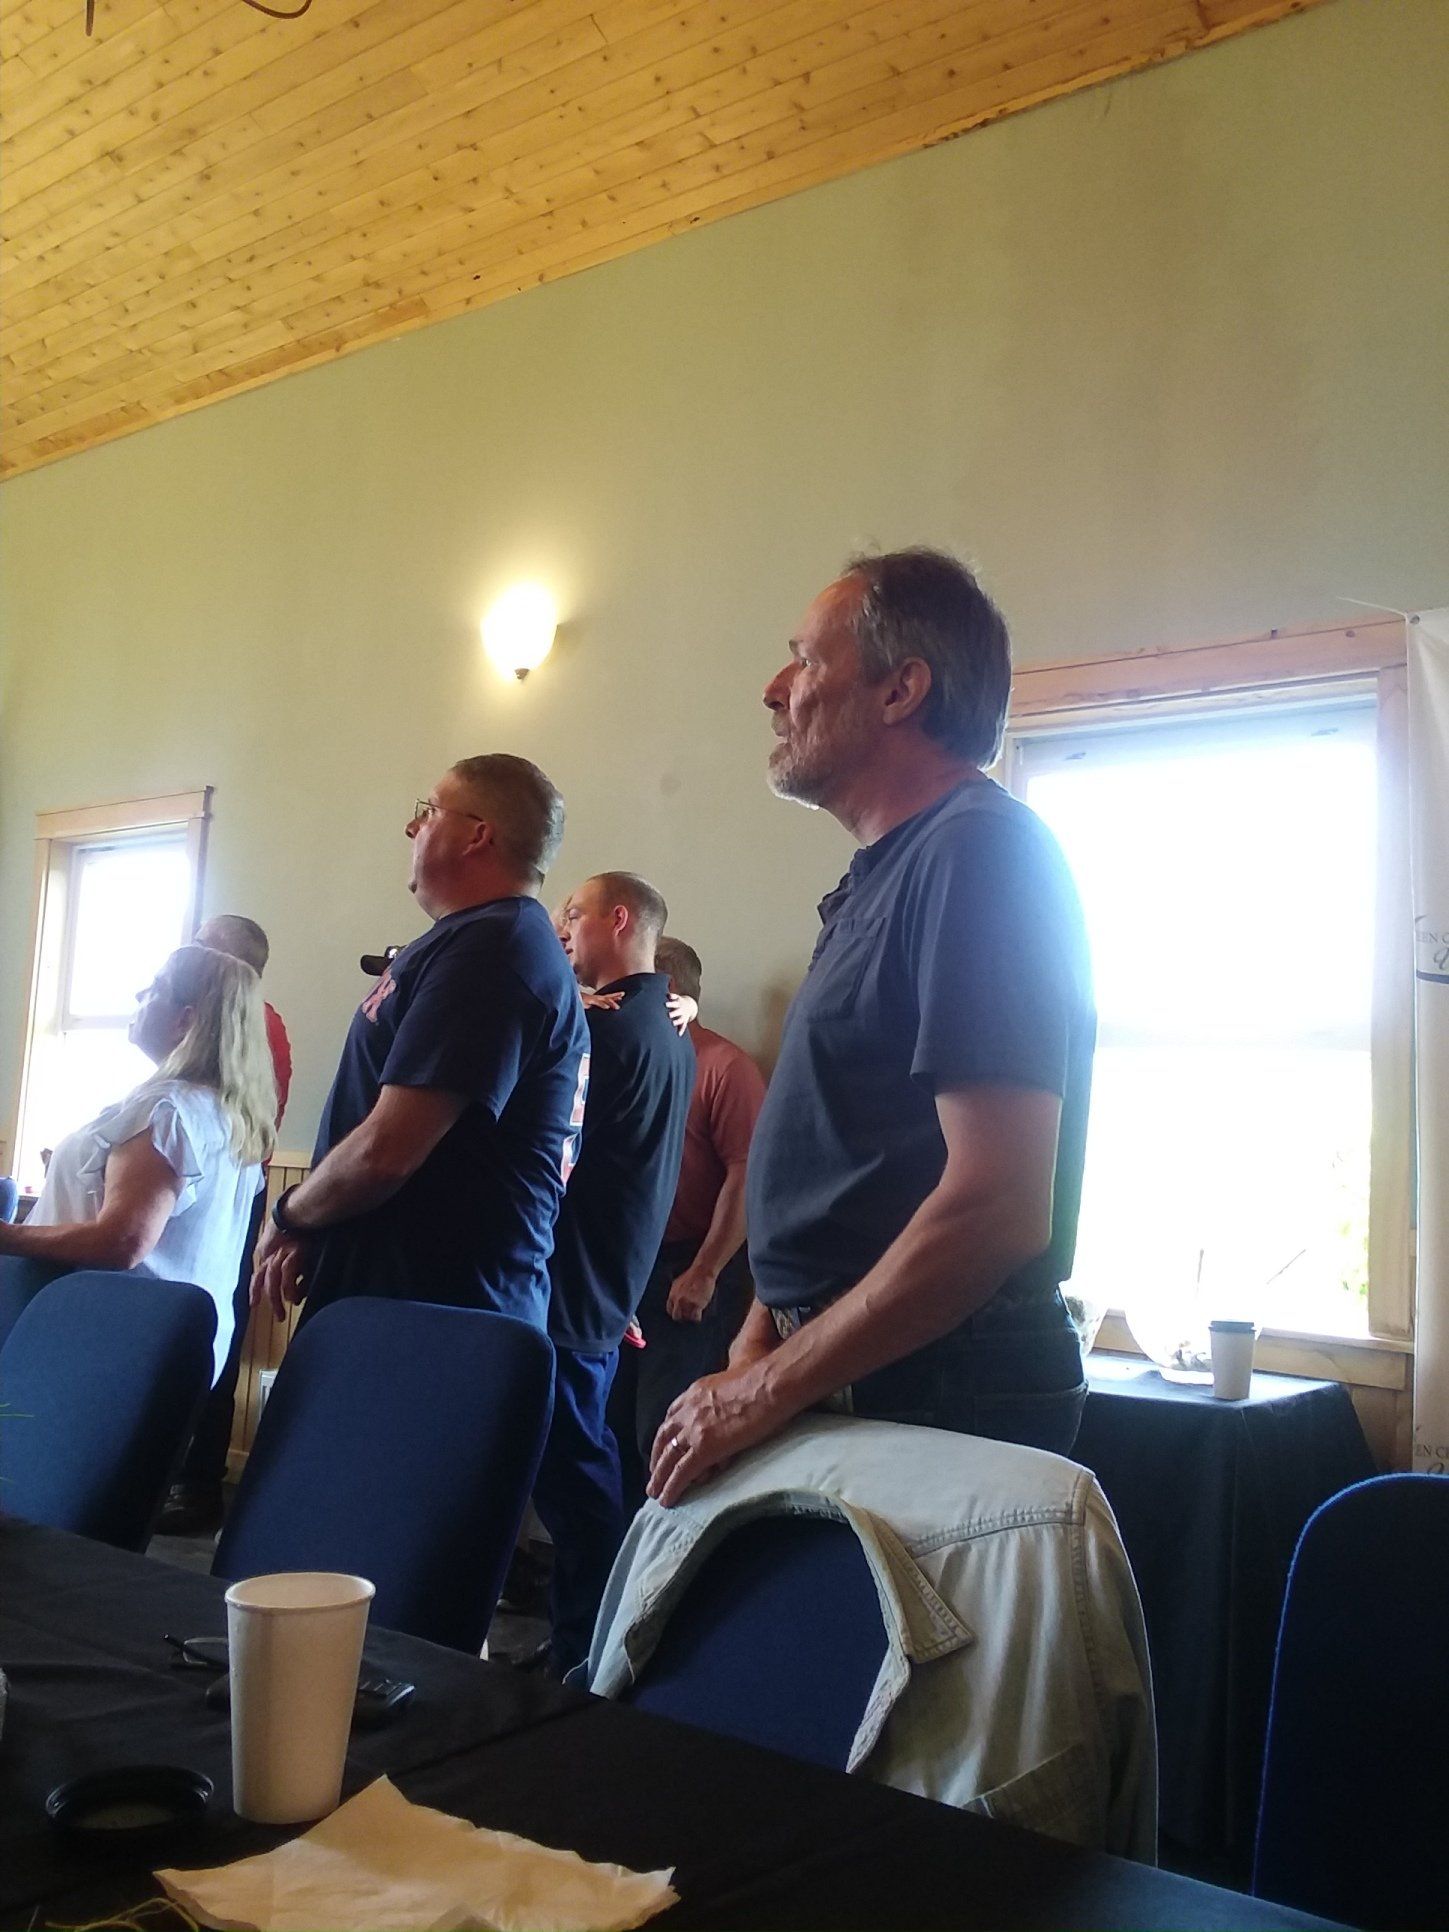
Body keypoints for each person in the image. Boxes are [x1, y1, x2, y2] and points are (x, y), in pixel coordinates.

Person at [648, 548, 1096, 1510]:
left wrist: (765, 1385)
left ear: (901, 690)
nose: (774, 690)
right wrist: (764, 1322)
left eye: (805, 661)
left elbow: (999, 1202)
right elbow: (850, 1150)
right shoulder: (880, 878)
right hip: (841, 1359)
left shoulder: (979, 854)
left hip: (937, 1377)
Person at [250, 755, 587, 1331]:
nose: (412, 828)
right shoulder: (471, 940)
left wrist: (291, 1214)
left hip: (436, 1316)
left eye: (428, 812)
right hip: (399, 1299)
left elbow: (387, 1151)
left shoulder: (495, 948)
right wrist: (324, 1221)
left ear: (478, 835)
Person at [531, 871, 694, 1674]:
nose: (563, 929)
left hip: (566, 1288)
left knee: (578, 1484)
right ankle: (577, 1645)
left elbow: (555, 1161)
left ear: (618, 918)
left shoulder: (611, 1030)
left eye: (574, 914)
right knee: (577, 1474)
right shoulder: (673, 1028)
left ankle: (585, 1657)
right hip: (606, 1284)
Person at [0, 944, 276, 1382]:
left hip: (99, 1343)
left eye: (156, 988)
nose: (138, 996)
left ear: (185, 1020)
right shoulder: (228, 1117)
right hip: (167, 1351)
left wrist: (7, 1237)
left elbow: (122, 1240)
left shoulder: (165, 1109)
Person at [610, 935, 765, 1505]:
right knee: (608, 1429)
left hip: (687, 1271)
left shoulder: (726, 1067)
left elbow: (748, 1176)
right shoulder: (631, 1057)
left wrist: (704, 1271)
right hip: (623, 1272)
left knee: (664, 1432)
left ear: (667, 989)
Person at [158, 915, 292, 1536]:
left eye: (199, 945)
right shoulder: (263, 1026)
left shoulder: (251, 1026)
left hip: (213, 1201)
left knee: (206, 1327)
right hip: (222, 1196)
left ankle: (194, 1480)